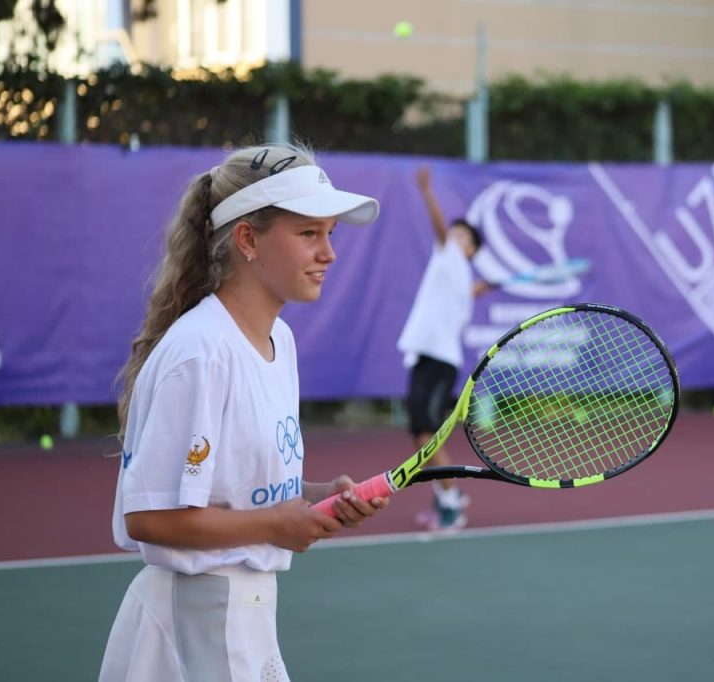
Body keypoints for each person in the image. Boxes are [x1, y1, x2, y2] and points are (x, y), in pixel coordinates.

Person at [99, 142, 390, 682]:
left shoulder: (280, 340)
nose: (329, 253)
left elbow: (233, 489)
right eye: (309, 234)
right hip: (196, 623)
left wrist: (314, 497)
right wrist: (277, 523)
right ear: (248, 240)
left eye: (331, 233)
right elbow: (149, 517)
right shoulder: (200, 352)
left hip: (245, 619)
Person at [397, 166, 492, 532]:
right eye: (454, 231)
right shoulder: (455, 273)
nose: (453, 234)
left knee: (427, 434)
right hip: (426, 356)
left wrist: (427, 192)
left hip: (440, 361)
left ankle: (452, 500)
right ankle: (445, 493)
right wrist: (478, 289)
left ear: (469, 249)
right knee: (419, 434)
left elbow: (440, 230)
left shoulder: (451, 258)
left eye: (461, 234)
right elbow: (465, 293)